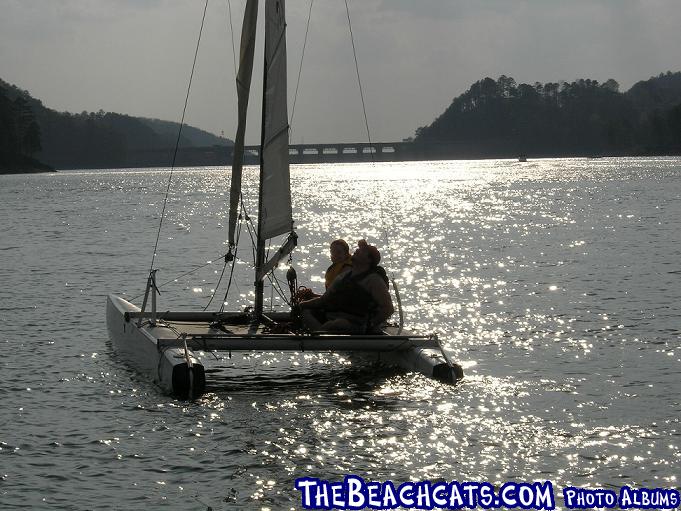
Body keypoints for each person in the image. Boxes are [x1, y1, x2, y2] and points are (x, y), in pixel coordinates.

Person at [299, 239, 394, 334]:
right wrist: (302, 304)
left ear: (369, 260)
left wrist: (369, 325)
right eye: (358, 249)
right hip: (337, 315)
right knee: (305, 312)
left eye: (362, 251)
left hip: (359, 322)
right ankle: (320, 335)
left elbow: (388, 309)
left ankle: (320, 336)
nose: (356, 250)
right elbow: (324, 300)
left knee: (338, 324)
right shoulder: (344, 276)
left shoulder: (373, 280)